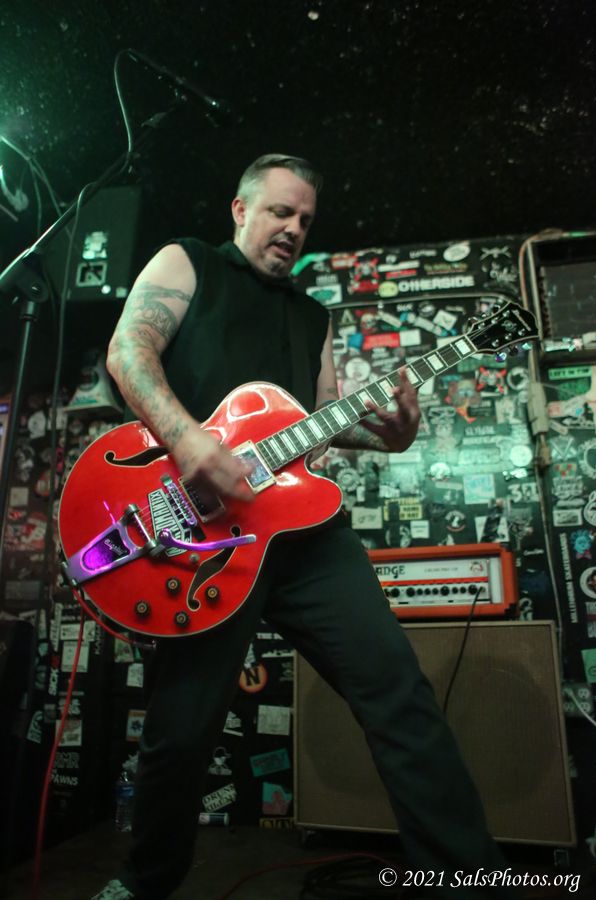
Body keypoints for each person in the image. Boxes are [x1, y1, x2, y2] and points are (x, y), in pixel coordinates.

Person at [92, 154, 513, 899]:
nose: (293, 228)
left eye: (306, 220)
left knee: (398, 693)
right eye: (281, 211)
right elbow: (129, 351)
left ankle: (463, 876)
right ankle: (144, 882)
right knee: (182, 730)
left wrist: (388, 435)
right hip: (202, 537)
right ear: (240, 208)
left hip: (304, 538)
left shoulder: (312, 316)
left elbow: (316, 426)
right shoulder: (188, 263)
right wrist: (188, 441)